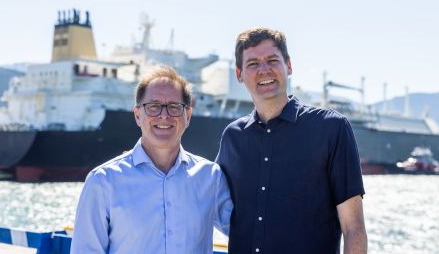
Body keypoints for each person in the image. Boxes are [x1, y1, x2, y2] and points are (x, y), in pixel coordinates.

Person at [216, 27, 367, 253]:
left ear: (288, 65)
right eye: (253, 64)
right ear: (239, 74)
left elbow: (353, 227)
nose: (264, 70)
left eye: (272, 60)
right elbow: (205, 198)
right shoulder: (232, 137)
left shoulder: (331, 128)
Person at [71, 65, 233, 253]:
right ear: (138, 115)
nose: (164, 115)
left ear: (187, 116)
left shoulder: (211, 177)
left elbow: (249, 231)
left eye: (174, 107)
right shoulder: (103, 181)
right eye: (153, 106)